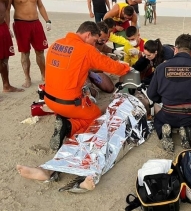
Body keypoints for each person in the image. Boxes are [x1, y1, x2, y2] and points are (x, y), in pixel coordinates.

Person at [43, 21, 130, 151]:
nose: (95, 45)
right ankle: (68, 126)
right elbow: (110, 65)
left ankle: (63, 117)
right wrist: (126, 67)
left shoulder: (56, 43)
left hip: (49, 99)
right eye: (95, 41)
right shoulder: (85, 50)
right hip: (68, 103)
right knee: (95, 116)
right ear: (88, 35)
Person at [147, 34, 191, 152]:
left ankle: (163, 131)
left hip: (169, 114)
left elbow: (151, 94)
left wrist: (163, 98)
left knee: (158, 119)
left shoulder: (161, 68)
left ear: (175, 49)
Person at [7, 0, 51, 88]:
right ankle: (27, 78)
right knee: (25, 52)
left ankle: (44, 75)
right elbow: (7, 9)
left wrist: (47, 21)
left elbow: (40, 6)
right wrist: (8, 26)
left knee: (40, 51)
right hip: (21, 24)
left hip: (36, 23)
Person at [0, 0, 23, 93]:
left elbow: (7, 9)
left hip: (2, 26)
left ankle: (6, 85)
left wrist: (8, 27)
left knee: (4, 57)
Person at [88, 21, 126, 93]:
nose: (103, 42)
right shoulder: (85, 44)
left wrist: (113, 51)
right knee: (91, 93)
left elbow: (103, 47)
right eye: (102, 40)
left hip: (95, 70)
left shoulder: (100, 42)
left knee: (109, 88)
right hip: (83, 72)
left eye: (105, 40)